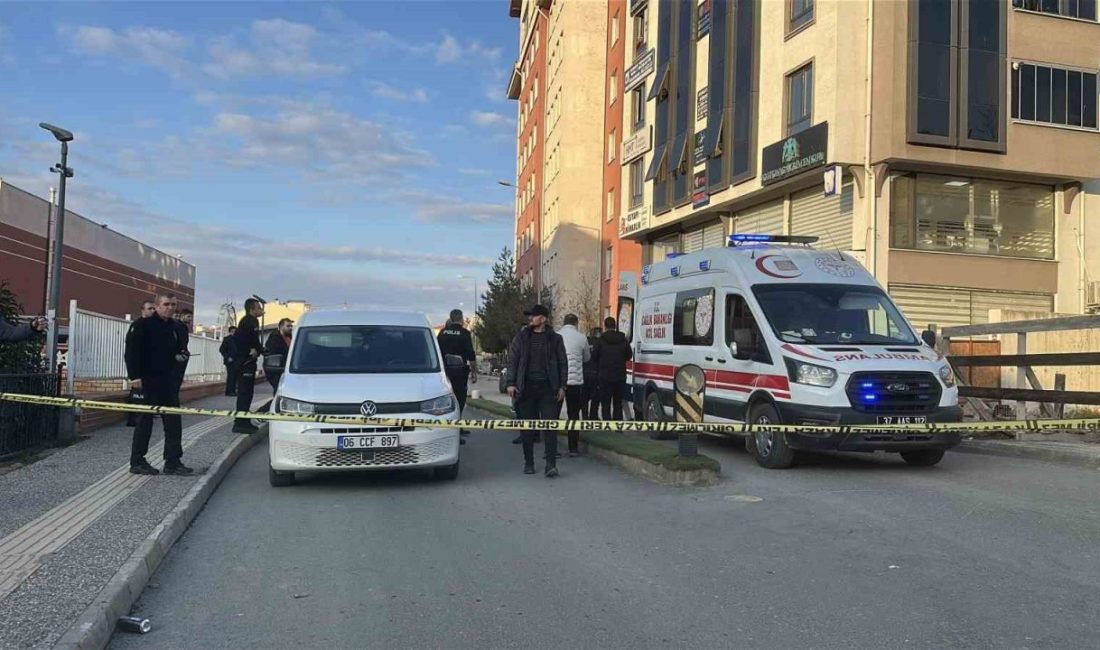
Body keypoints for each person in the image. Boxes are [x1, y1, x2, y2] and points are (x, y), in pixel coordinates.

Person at [124, 292, 192, 476]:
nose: (170, 308)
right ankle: (137, 461)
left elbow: (182, 350)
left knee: (173, 422)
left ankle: (173, 461)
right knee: (144, 422)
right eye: (167, 304)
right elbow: (131, 352)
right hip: (147, 381)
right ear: (157, 306)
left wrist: (182, 357)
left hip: (168, 382)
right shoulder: (142, 325)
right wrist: (134, 376)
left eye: (173, 305)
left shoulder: (177, 328)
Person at [506, 304, 568, 477]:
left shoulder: (555, 339)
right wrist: (510, 383)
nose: (530, 318)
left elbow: (563, 363)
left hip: (549, 389)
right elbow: (513, 360)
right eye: (529, 316)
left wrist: (563, 385)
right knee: (527, 428)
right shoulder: (521, 337)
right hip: (526, 388)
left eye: (533, 316)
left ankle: (551, 464)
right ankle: (529, 462)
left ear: (543, 318)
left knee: (550, 427)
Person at [437, 309, 476, 444]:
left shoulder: (442, 333)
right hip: (460, 372)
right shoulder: (464, 333)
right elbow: (471, 355)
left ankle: (453, 428)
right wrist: (474, 373)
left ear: (450, 318)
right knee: (459, 399)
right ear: (461, 318)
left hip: (444, 373)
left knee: (447, 400)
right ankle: (456, 431)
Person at [558, 313, 590, 457]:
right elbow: (587, 358)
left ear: (564, 322)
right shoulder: (582, 338)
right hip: (576, 382)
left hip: (559, 382)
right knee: (573, 415)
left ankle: (552, 449)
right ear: (576, 323)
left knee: (553, 414)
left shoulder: (556, 336)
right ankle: (573, 448)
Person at [232, 298, 265, 434]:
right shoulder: (249, 321)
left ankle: (243, 420)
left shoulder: (248, 321)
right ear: (252, 309)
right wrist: (252, 351)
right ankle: (241, 423)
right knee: (245, 393)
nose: (261, 310)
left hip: (247, 361)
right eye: (258, 308)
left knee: (247, 393)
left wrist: (261, 350)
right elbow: (247, 341)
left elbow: (253, 342)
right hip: (245, 362)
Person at [593, 316, 632, 421]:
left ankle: (607, 427)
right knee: (618, 403)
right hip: (620, 376)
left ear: (605, 326)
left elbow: (594, 356)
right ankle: (617, 427)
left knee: (605, 403)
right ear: (615, 326)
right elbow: (629, 355)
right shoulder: (623, 339)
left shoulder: (600, 340)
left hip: (604, 376)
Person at [125, 300, 156, 427]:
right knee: (137, 394)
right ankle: (134, 418)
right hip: (140, 369)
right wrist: (134, 375)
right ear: (143, 310)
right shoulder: (138, 325)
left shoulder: (153, 325)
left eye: (154, 309)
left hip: (151, 369)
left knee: (148, 395)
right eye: (150, 308)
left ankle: (145, 417)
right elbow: (131, 351)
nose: (152, 311)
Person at [263, 318, 293, 391]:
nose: (290, 328)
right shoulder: (274, 338)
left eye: (291, 326)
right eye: (288, 326)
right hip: (276, 370)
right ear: (282, 327)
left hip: (287, 369)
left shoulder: (290, 337)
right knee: (278, 390)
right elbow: (272, 354)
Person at [170, 309, 193, 394]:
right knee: (175, 380)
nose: (190, 319)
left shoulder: (184, 327)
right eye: (188, 316)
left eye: (191, 317)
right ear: (182, 316)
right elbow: (178, 341)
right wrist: (181, 351)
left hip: (183, 355)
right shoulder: (177, 326)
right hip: (178, 356)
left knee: (178, 380)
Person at [582, 328, 602, 420]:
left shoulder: (586, 342)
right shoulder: (600, 343)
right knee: (596, 397)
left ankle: (585, 416)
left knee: (584, 397)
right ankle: (593, 416)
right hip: (596, 373)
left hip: (585, 372)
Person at [219, 326, 238, 397]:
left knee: (235, 376)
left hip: (236, 360)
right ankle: (229, 391)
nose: (235, 333)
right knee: (231, 376)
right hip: (229, 361)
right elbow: (222, 349)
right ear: (230, 331)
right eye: (234, 331)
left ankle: (233, 390)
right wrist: (227, 357)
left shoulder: (237, 339)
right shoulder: (227, 339)